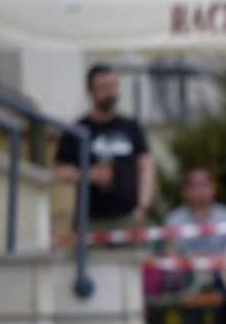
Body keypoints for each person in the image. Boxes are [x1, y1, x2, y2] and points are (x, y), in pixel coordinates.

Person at [53, 64, 155, 234]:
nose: (110, 92)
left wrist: (143, 205)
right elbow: (59, 169)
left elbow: (146, 165)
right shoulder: (78, 130)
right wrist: (87, 175)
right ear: (90, 90)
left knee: (134, 259)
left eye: (113, 86)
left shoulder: (130, 126)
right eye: (103, 87)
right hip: (91, 219)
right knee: (92, 261)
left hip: (128, 216)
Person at [159, 166, 226, 324]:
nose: (200, 190)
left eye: (205, 184)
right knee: (174, 280)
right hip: (189, 272)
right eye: (195, 185)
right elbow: (170, 250)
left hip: (221, 270)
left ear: (213, 188)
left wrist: (221, 258)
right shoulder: (174, 219)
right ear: (185, 191)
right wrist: (191, 259)